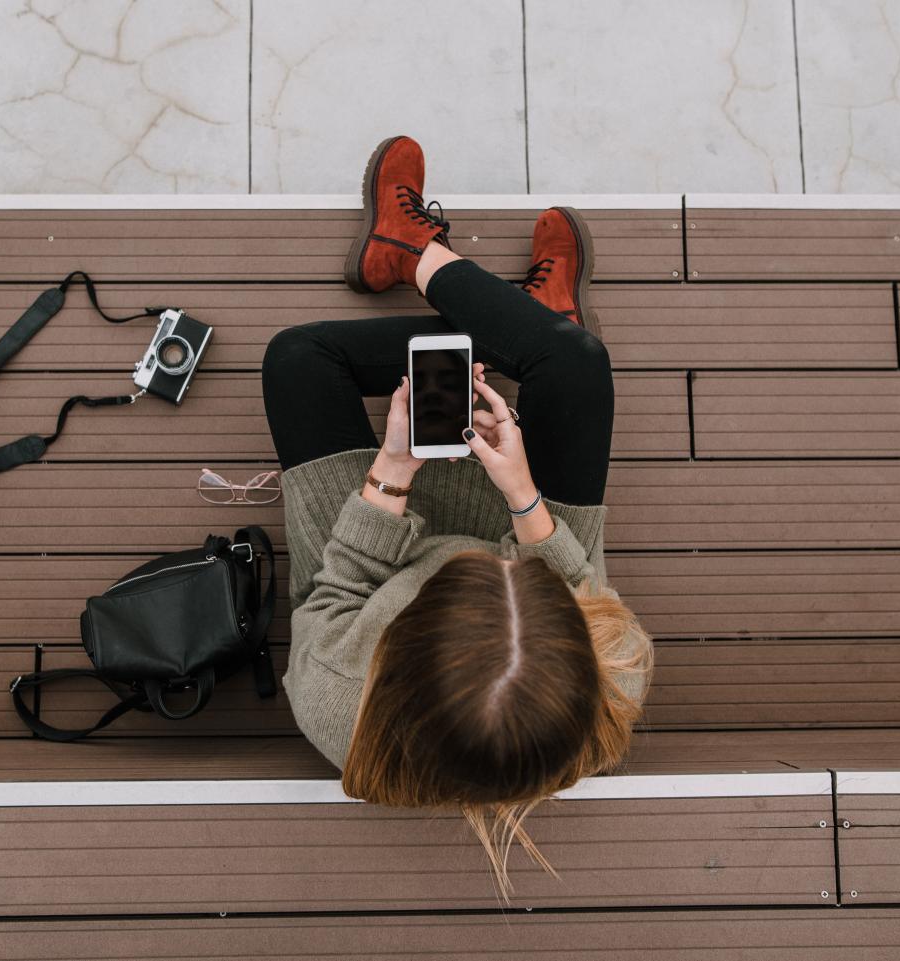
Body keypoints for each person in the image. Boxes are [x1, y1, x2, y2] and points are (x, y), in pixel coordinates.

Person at [260, 135, 654, 906]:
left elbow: (335, 595)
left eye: (485, 572)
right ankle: (510, 317)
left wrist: (394, 471)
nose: (493, 559)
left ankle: (412, 256)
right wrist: (522, 498)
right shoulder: (611, 684)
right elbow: (581, 579)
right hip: (522, 516)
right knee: (576, 364)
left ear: (402, 637)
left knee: (296, 360)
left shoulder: (339, 693)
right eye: (523, 583)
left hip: (371, 558)